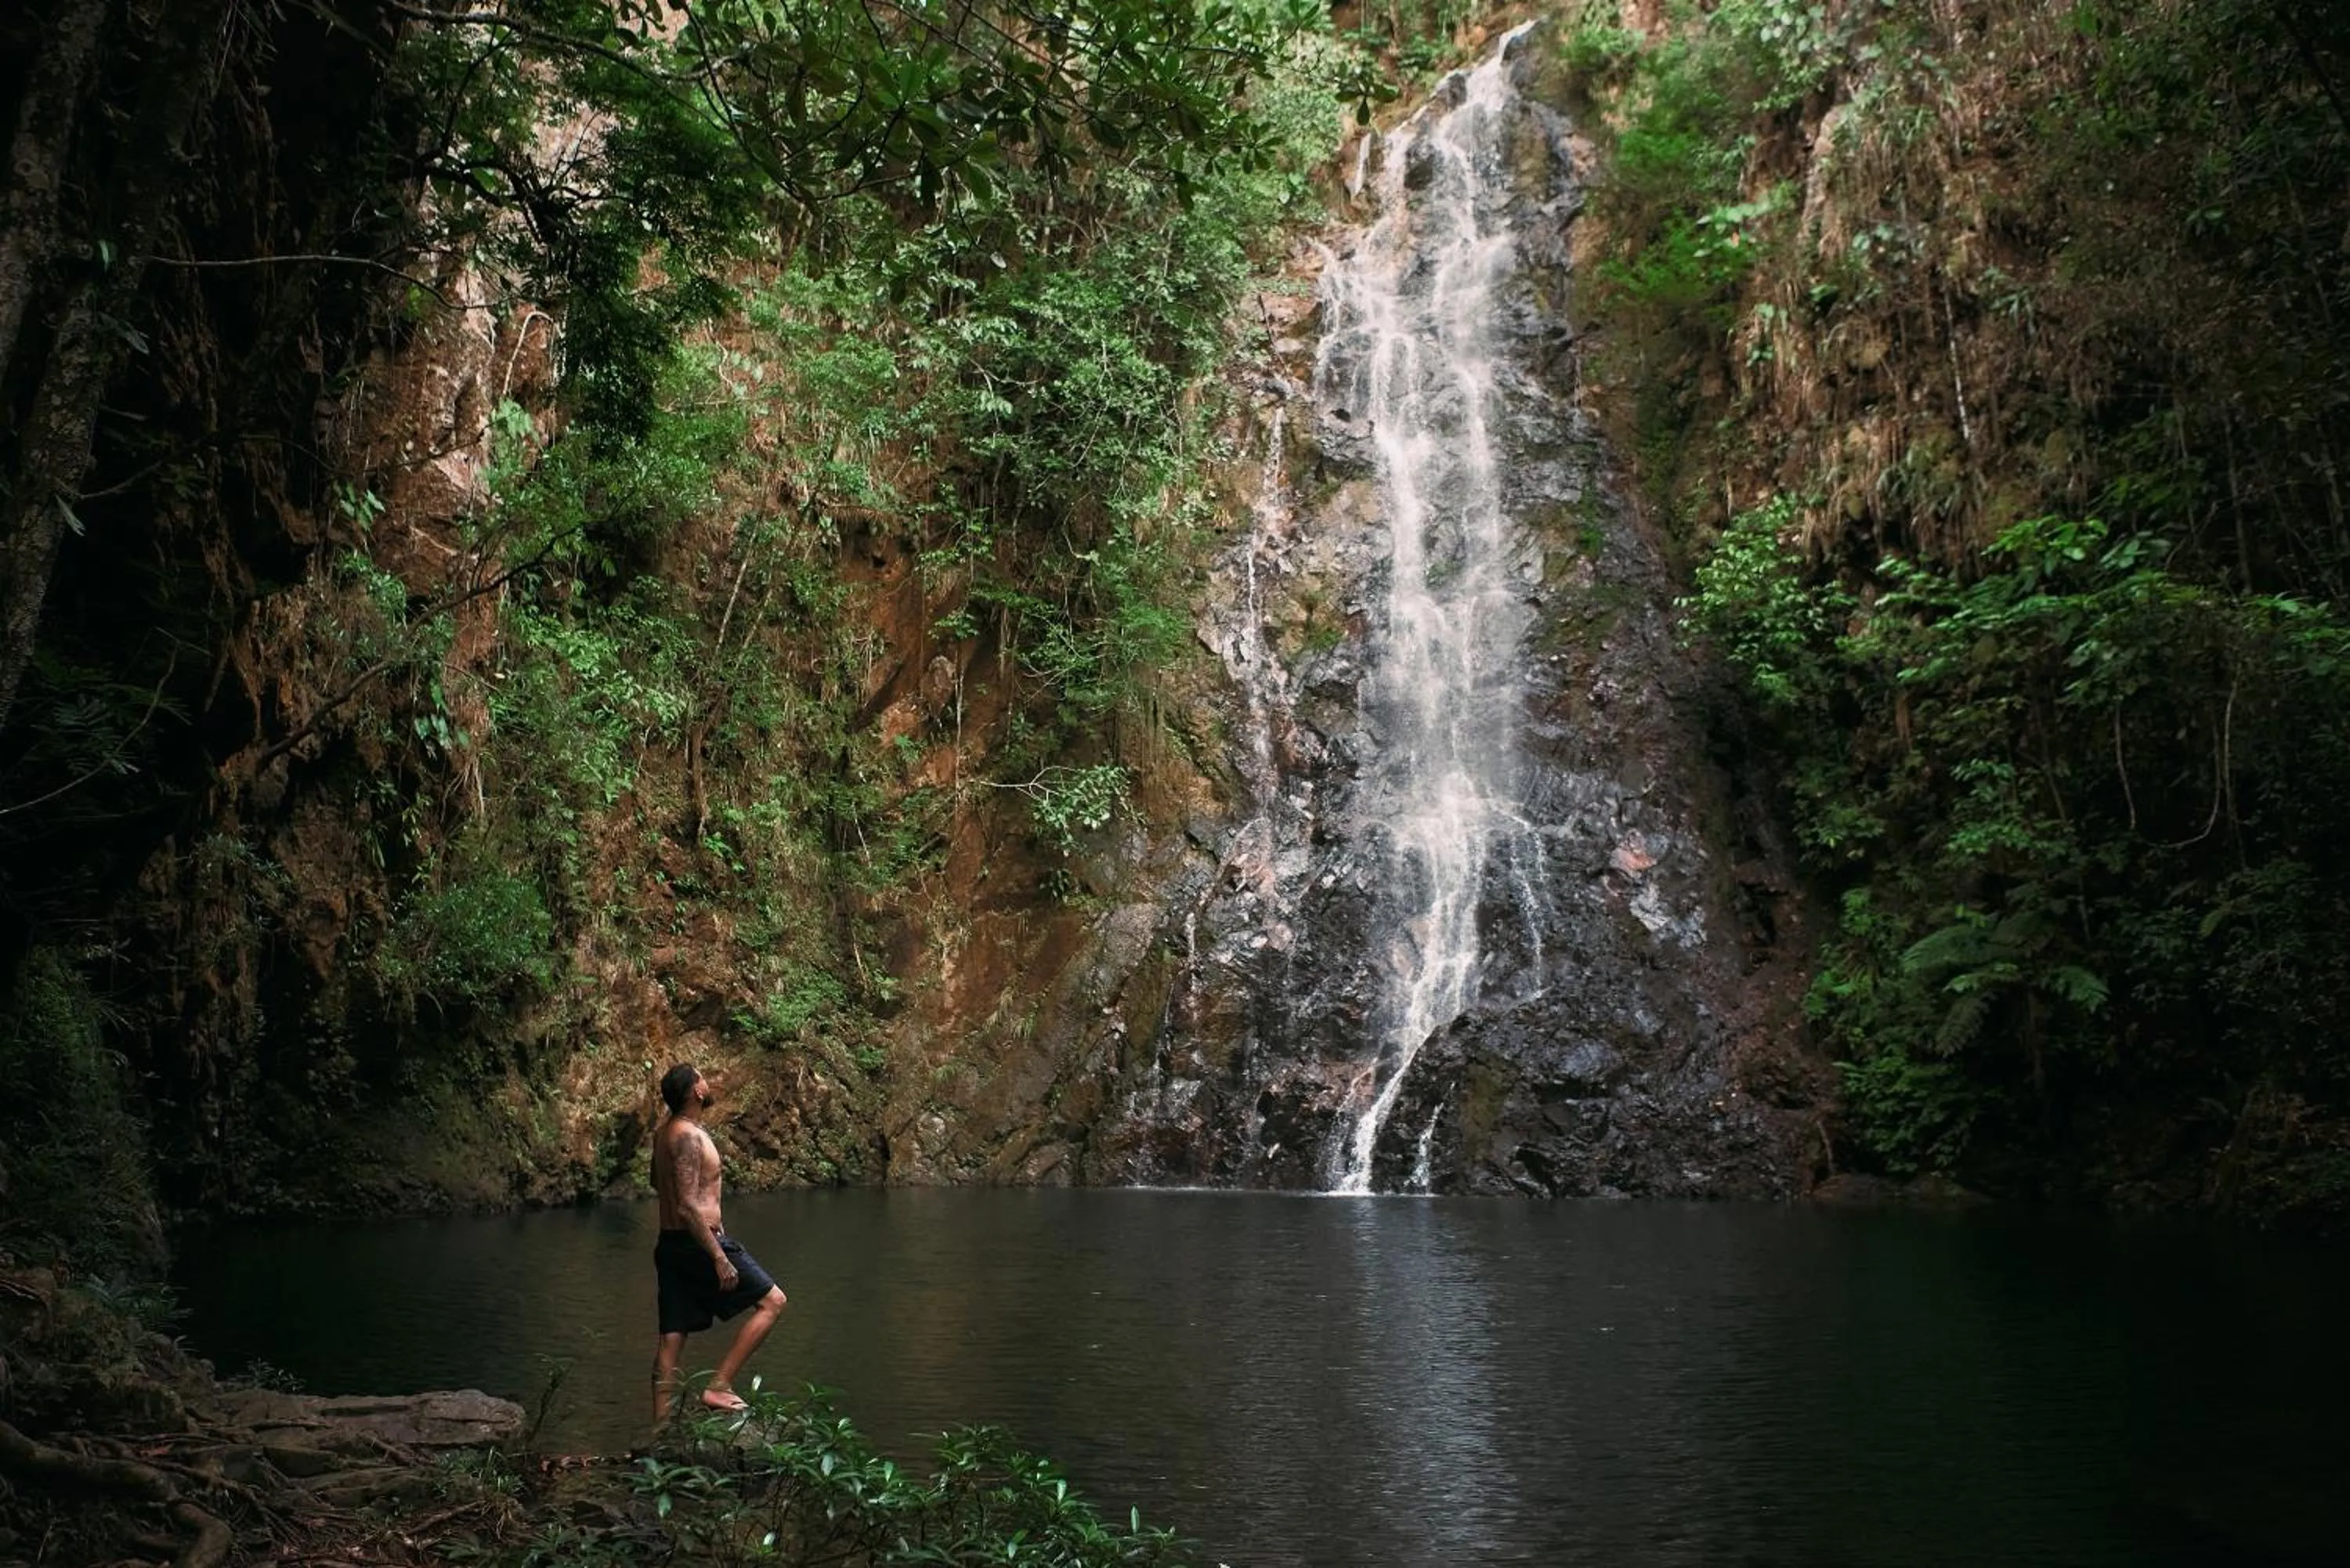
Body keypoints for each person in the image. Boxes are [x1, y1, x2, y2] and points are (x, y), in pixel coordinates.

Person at [650, 1063, 786, 1419]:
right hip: (699, 1243)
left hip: (670, 1244)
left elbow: (658, 1185)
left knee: (672, 1337)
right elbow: (688, 1205)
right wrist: (719, 1257)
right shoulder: (688, 1137)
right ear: (696, 1091)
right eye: (703, 1077)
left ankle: (659, 1428)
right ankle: (719, 1385)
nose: (709, 1082)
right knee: (773, 1302)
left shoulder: (662, 1133)